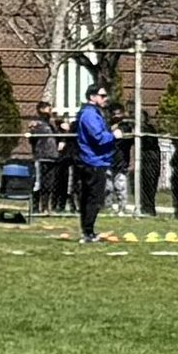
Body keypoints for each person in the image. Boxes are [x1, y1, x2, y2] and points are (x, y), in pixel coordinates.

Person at [75, 84, 122, 243]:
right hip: (93, 161)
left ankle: (88, 231)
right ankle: (88, 232)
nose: (105, 98)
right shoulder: (89, 114)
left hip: (96, 160)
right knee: (93, 198)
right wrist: (113, 135)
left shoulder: (94, 113)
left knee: (91, 198)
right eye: (102, 96)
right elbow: (98, 137)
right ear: (92, 97)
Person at [29, 101, 59, 214]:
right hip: (41, 157)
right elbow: (32, 139)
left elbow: (57, 135)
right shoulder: (37, 124)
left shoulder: (50, 124)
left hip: (52, 157)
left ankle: (45, 207)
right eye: (48, 109)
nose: (50, 111)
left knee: (48, 183)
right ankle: (35, 207)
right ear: (41, 110)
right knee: (38, 183)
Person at [107, 103, 132, 216]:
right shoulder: (106, 126)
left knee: (120, 186)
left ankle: (122, 207)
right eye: (114, 114)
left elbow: (120, 136)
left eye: (118, 113)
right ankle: (109, 207)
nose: (116, 116)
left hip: (121, 160)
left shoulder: (125, 126)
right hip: (107, 160)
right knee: (108, 187)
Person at [139, 112, 162, 216]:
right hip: (146, 159)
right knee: (145, 185)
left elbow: (150, 143)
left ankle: (149, 208)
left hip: (151, 160)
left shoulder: (148, 129)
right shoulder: (140, 129)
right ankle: (147, 207)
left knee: (149, 185)